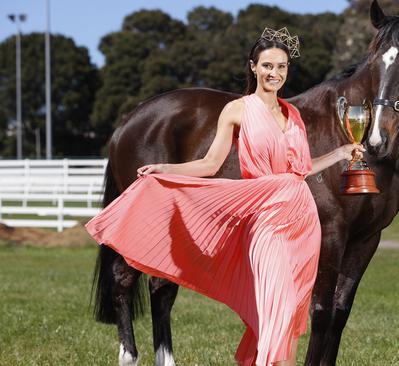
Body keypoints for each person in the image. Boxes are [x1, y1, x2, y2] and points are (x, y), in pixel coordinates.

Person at [86, 27, 362, 366]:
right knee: (273, 313)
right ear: (253, 67)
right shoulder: (237, 110)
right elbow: (210, 163)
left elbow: (301, 169)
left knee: (287, 317)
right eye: (267, 66)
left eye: (282, 67)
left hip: (301, 224)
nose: (275, 73)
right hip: (266, 223)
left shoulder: (293, 115)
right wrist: (166, 169)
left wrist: (341, 152)